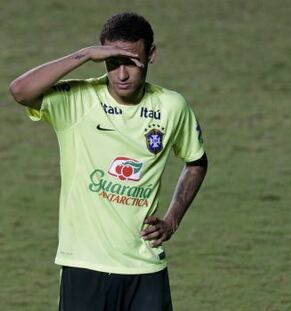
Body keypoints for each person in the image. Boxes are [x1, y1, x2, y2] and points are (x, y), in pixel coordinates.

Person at [9, 12, 207, 311]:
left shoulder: (171, 107)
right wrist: (84, 54)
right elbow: (20, 91)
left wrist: (172, 219)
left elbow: (196, 161)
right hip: (85, 265)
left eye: (131, 62)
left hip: (145, 267)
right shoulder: (79, 101)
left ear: (151, 55)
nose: (122, 74)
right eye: (113, 63)